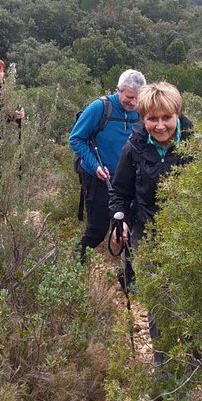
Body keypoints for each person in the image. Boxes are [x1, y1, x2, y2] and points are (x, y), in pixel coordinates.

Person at [108, 81, 193, 366]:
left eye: (166, 118)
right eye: (152, 119)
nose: (159, 126)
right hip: (148, 233)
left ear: (177, 115)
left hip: (189, 233)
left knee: (190, 298)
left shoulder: (197, 145)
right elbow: (119, 192)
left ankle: (198, 365)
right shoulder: (134, 148)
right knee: (159, 301)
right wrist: (119, 220)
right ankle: (164, 369)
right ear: (143, 119)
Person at [69, 69, 146, 262]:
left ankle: (127, 277)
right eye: (129, 97)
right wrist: (94, 165)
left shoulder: (143, 111)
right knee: (97, 230)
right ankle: (75, 266)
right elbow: (76, 139)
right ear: (117, 90)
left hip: (129, 181)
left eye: (138, 98)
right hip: (99, 178)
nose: (134, 102)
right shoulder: (100, 108)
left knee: (128, 230)